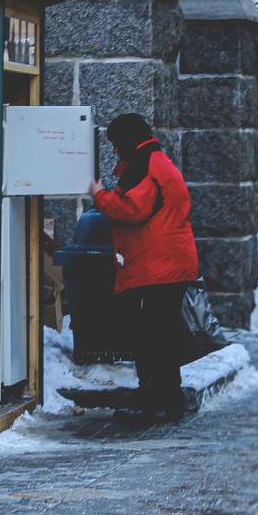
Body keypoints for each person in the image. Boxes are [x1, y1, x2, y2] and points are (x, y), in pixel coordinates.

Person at [89, 114, 199, 426]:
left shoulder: (143, 164)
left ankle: (152, 402)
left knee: (150, 338)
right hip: (171, 263)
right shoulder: (159, 160)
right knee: (162, 335)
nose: (114, 151)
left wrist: (99, 194)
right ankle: (170, 401)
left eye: (115, 143)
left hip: (157, 266)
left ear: (126, 140)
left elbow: (131, 209)